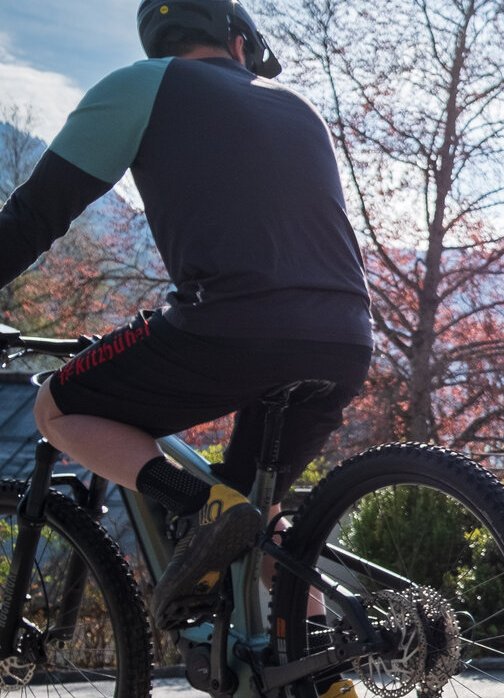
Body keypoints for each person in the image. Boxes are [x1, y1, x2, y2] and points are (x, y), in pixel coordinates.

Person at [0, 0, 371, 678]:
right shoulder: (295, 104)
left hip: (230, 325)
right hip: (346, 336)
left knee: (58, 407)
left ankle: (201, 507)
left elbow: (34, 215)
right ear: (237, 43)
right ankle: (321, 681)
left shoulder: (144, 84)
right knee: (263, 530)